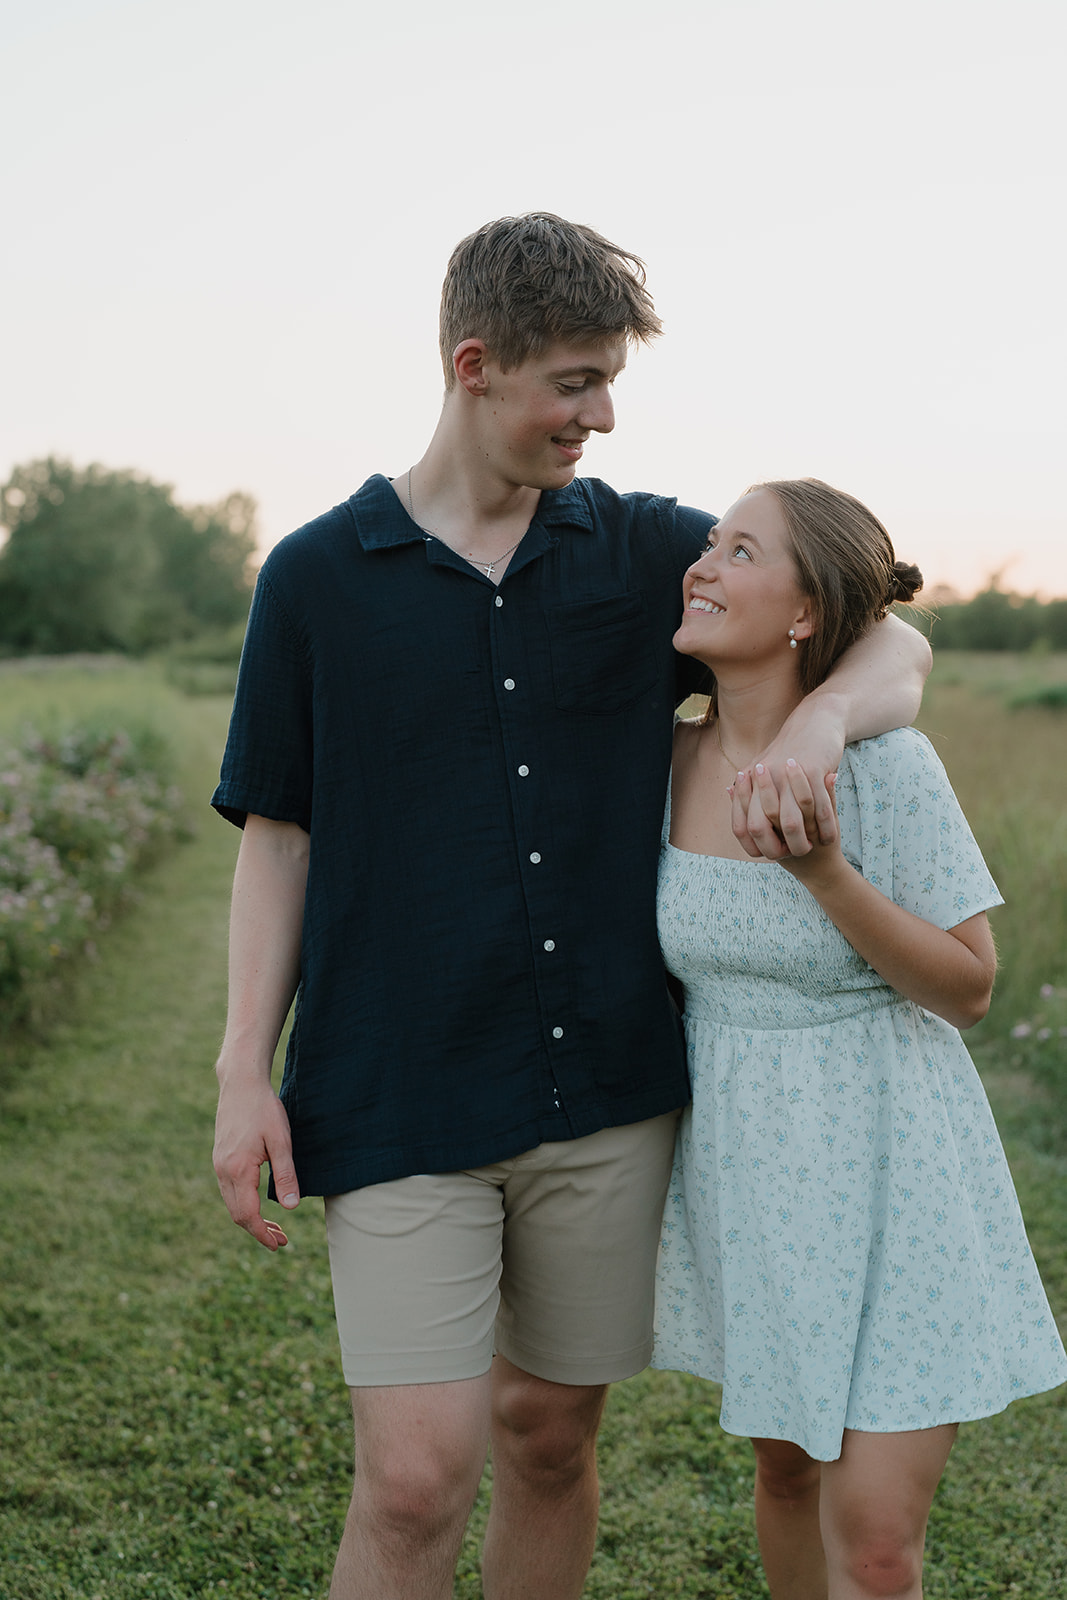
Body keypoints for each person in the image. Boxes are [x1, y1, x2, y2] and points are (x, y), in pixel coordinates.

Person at [210, 216, 932, 1600]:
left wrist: (816, 729)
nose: (599, 416)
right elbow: (279, 837)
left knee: (547, 1436)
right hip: (396, 1078)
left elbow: (882, 630)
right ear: (476, 367)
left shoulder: (643, 553)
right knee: (414, 1476)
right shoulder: (313, 578)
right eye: (574, 384)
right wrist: (246, 1068)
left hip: (603, 1084)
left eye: (609, 385)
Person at [653, 477, 1067, 1600]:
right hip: (750, 1173)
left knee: (877, 1543)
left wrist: (823, 873)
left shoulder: (888, 767)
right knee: (784, 1474)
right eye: (706, 544)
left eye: (739, 551)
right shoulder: (663, 761)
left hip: (896, 1169)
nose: (701, 565)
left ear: (804, 613)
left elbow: (969, 988)